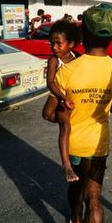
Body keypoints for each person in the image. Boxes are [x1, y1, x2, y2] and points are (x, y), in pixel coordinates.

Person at [54, 3, 112, 223]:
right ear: (111, 36)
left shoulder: (69, 70)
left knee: (75, 185)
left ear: (83, 32)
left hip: (72, 142)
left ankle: (74, 217)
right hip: (98, 144)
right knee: (94, 196)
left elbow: (53, 112)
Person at [42, 20, 81, 183]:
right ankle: (67, 165)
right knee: (47, 115)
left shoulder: (78, 58)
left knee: (66, 126)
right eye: (52, 43)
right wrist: (63, 98)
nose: (54, 47)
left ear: (71, 44)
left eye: (59, 43)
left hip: (67, 100)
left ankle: (67, 166)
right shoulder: (53, 60)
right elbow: (50, 83)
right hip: (57, 96)